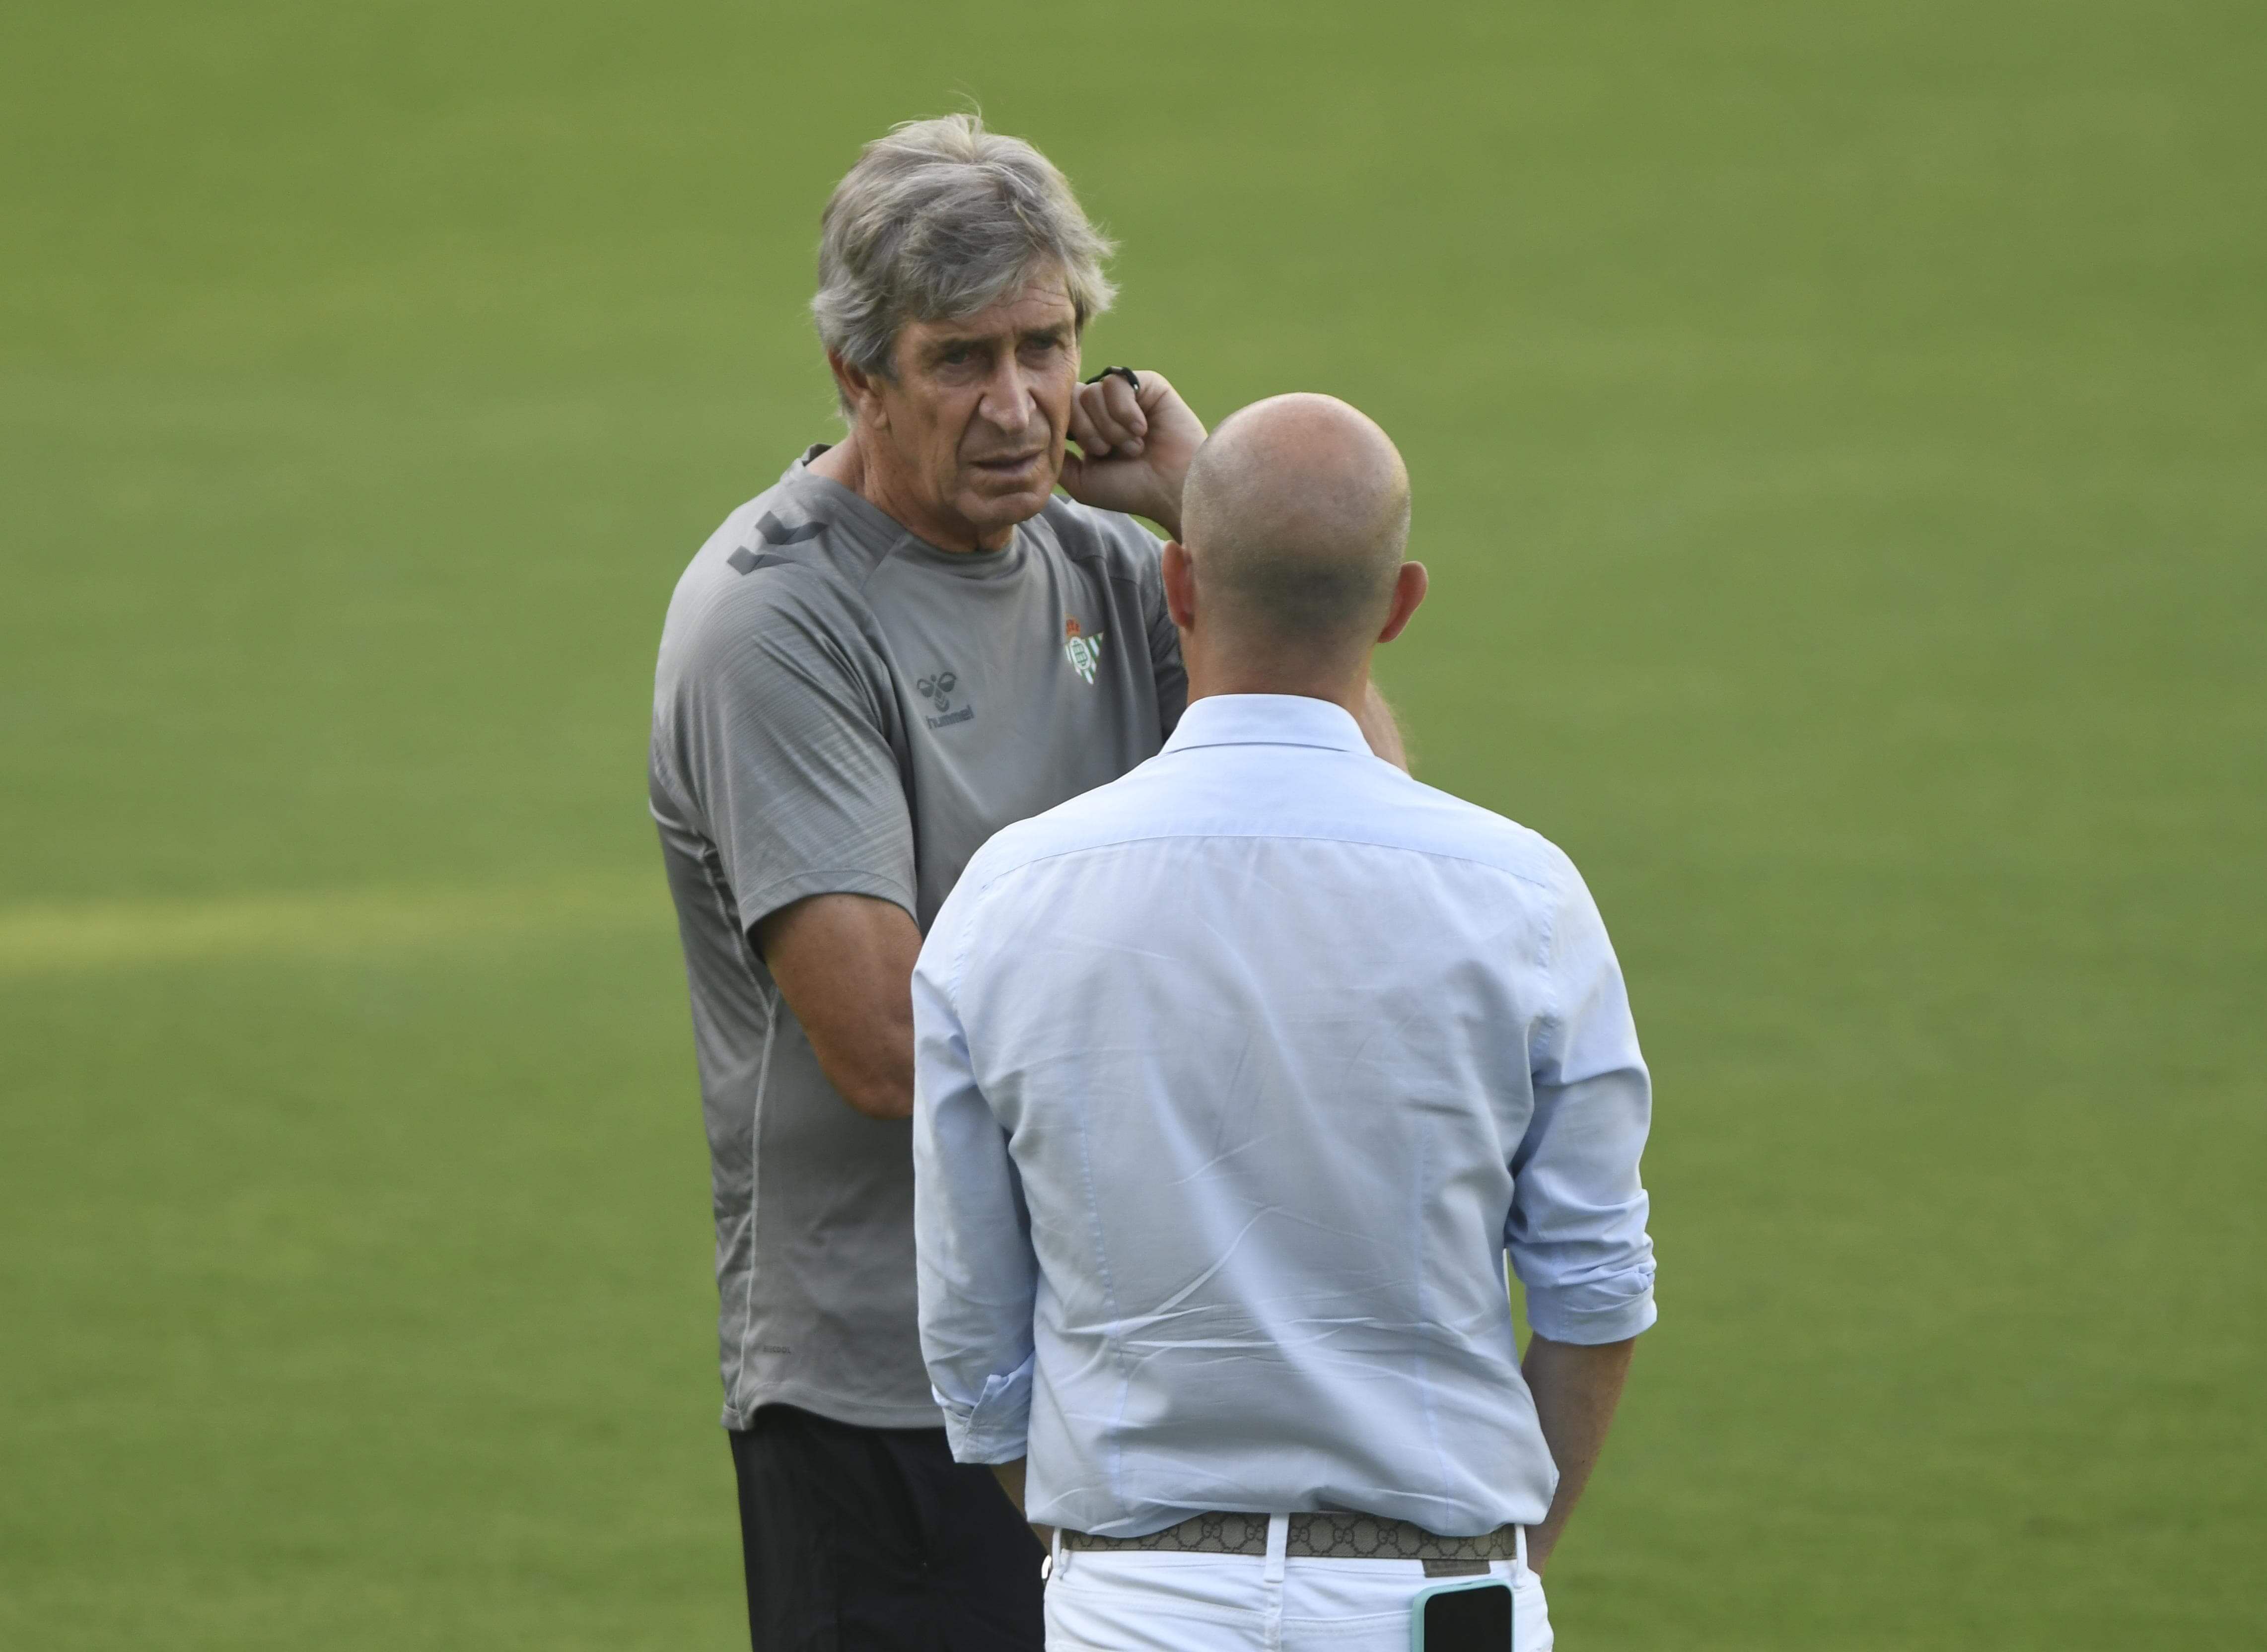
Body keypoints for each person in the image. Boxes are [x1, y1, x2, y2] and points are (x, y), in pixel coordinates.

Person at [649, 120, 1407, 1649]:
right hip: (889, 1397)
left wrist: (1208, 510)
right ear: (856, 378)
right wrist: (1222, 1049)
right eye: (958, 361)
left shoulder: (1114, 572)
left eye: (1047, 345)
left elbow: (1376, 856)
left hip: (1128, 1383)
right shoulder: (777, 624)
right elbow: (877, 1045)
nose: (1017, 408)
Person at [911, 395, 1658, 1651]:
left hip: (1135, 1608)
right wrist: (1503, 1555)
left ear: (1179, 586)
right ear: (1402, 603)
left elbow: (972, 1334)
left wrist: (1115, 1559)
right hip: (1436, 1602)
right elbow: (1594, 1289)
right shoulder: (1524, 896)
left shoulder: (1011, 895)